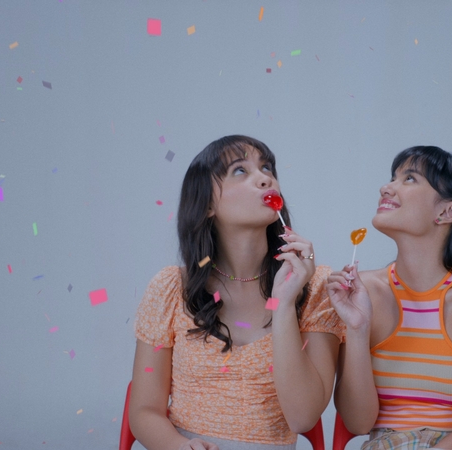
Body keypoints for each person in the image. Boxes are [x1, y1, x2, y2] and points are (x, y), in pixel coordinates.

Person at [130, 135, 343, 450]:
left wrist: (284, 303)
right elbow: (143, 411)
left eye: (267, 168)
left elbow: (303, 418)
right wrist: (179, 447)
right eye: (240, 170)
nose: (265, 178)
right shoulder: (170, 287)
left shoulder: (315, 285)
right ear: (207, 205)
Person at [327, 146, 452, 450]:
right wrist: (357, 329)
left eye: (410, 178)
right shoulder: (363, 292)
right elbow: (358, 423)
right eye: (393, 177)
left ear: (447, 212)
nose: (386, 187)